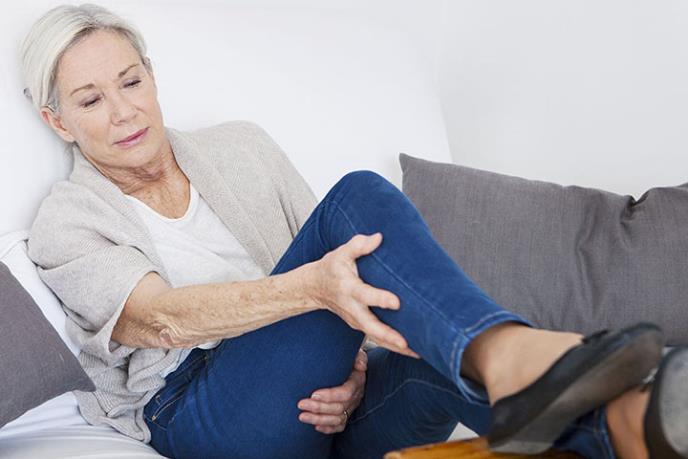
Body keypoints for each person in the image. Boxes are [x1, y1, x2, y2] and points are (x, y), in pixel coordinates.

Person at [19, 4, 686, 459]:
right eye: (91, 100)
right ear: (58, 122)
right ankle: (513, 351)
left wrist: (358, 365)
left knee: (436, 361)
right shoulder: (67, 219)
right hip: (207, 413)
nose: (124, 110)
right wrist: (312, 293)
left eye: (130, 81)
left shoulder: (240, 147)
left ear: (152, 76)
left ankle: (626, 428)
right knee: (358, 198)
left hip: (327, 403)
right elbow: (159, 320)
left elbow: (353, 268)